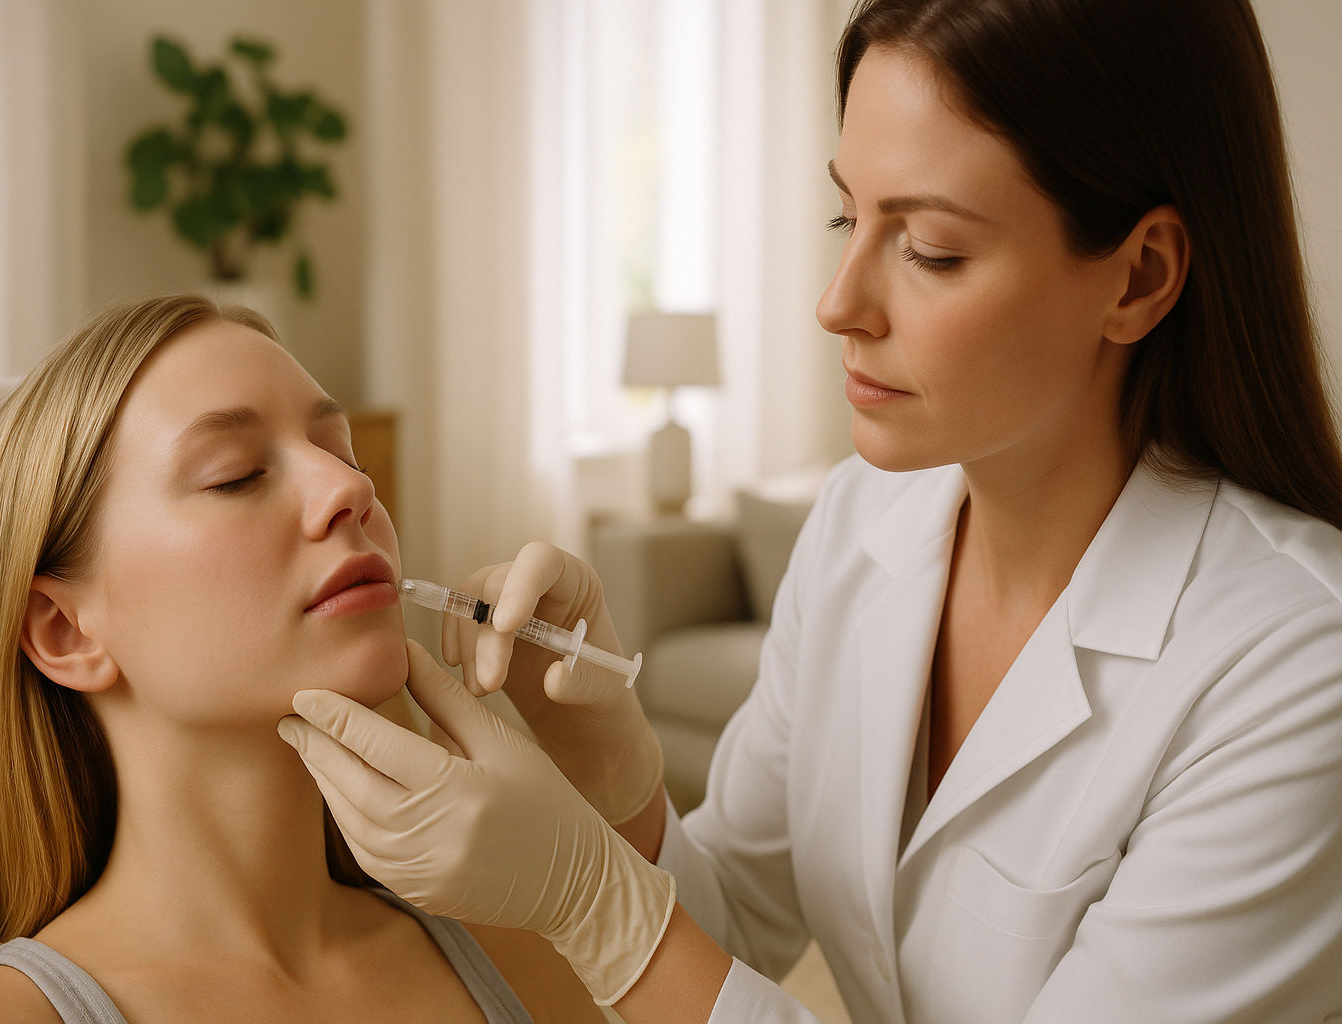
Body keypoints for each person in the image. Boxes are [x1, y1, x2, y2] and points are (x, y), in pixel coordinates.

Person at [276, 0, 1342, 1021]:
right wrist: (616, 774)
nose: (837, 303)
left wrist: (590, 902)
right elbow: (734, 932)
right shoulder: (863, 520)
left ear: (1139, 277)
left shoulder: (1297, 667)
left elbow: (660, 956)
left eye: (930, 250)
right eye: (847, 216)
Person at [0, 295, 604, 1023]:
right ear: (65, 633)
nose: (353, 488)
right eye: (233, 475)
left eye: (343, 454)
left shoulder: (521, 947)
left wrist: (604, 770)